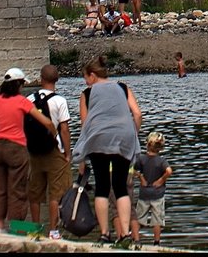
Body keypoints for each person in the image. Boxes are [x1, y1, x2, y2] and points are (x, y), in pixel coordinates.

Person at [76, 54, 143, 244]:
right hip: (124, 138)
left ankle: (105, 233)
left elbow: (85, 125)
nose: (86, 82)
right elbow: (137, 114)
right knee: (121, 186)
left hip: (98, 140)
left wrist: (82, 157)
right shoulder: (122, 88)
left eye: (85, 78)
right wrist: (132, 135)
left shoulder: (87, 94)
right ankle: (125, 234)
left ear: (92, 75)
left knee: (102, 187)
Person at [0, 66, 55, 234]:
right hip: (15, 149)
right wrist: (54, 132)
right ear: (19, 84)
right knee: (17, 188)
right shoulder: (22, 101)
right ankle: (15, 227)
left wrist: (3, 120)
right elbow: (45, 121)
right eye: (22, 84)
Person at [24, 64, 72, 239]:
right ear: (57, 80)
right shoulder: (60, 101)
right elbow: (64, 129)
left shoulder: (29, 99)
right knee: (55, 192)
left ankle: (35, 230)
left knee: (35, 192)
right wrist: (67, 153)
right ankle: (53, 231)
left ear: (41, 78)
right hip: (54, 150)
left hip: (35, 151)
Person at [131, 131, 171, 245]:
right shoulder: (162, 161)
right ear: (161, 148)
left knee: (139, 217)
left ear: (147, 144)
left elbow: (132, 170)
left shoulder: (141, 159)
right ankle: (156, 242)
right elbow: (169, 171)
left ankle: (135, 239)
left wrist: (140, 177)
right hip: (158, 194)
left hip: (144, 193)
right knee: (157, 220)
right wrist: (161, 180)